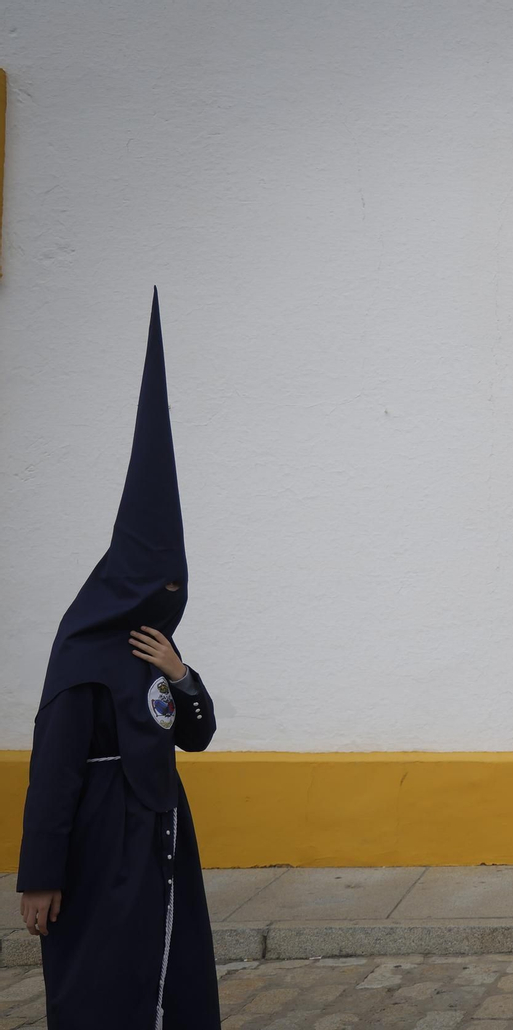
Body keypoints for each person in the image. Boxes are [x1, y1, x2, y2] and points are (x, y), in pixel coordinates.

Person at [16, 289, 222, 1029]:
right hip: (103, 845)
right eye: (161, 583)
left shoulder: (152, 650)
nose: (171, 596)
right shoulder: (83, 655)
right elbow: (54, 774)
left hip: (163, 839)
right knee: (106, 981)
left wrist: (179, 672)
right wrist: (38, 877)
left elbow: (195, 732)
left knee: (169, 975)